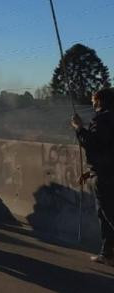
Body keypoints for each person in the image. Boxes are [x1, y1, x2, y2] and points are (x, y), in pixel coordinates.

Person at [72, 87, 114, 266]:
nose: (92, 102)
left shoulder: (102, 119)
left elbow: (93, 145)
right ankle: (108, 254)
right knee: (104, 215)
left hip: (105, 176)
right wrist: (90, 172)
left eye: (93, 99)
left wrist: (79, 128)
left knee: (108, 213)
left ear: (100, 100)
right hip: (105, 172)